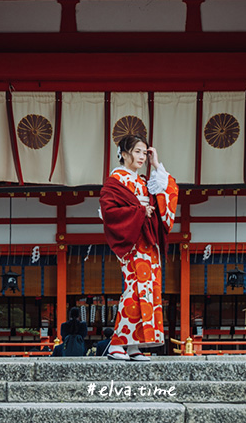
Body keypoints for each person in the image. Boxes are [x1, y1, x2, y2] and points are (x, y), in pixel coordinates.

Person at [98, 134, 179, 362]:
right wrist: (139, 211)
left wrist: (156, 165)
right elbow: (109, 212)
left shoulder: (144, 181)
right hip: (133, 242)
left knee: (148, 291)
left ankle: (133, 346)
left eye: (145, 152)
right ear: (123, 153)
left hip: (148, 243)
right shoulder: (116, 181)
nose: (142, 157)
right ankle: (117, 344)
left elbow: (168, 192)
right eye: (137, 151)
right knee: (134, 290)